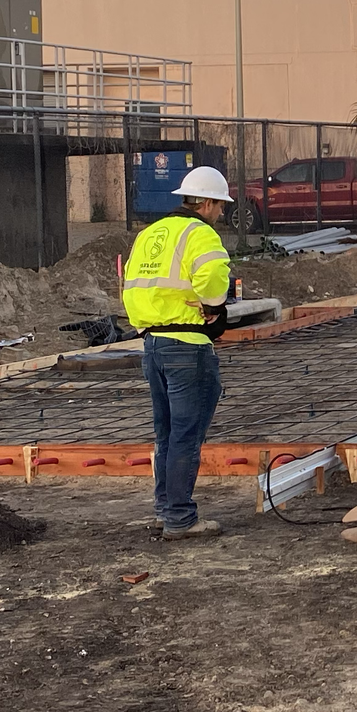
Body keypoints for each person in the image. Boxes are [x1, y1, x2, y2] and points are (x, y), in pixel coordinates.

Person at [119, 165, 237, 540]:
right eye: (219, 206)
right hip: (188, 345)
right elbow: (215, 281)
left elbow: (133, 288)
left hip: (152, 344)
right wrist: (214, 307)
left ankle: (165, 508)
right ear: (205, 202)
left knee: (166, 434)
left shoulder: (150, 234)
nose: (221, 213)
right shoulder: (200, 233)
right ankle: (181, 519)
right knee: (186, 434)